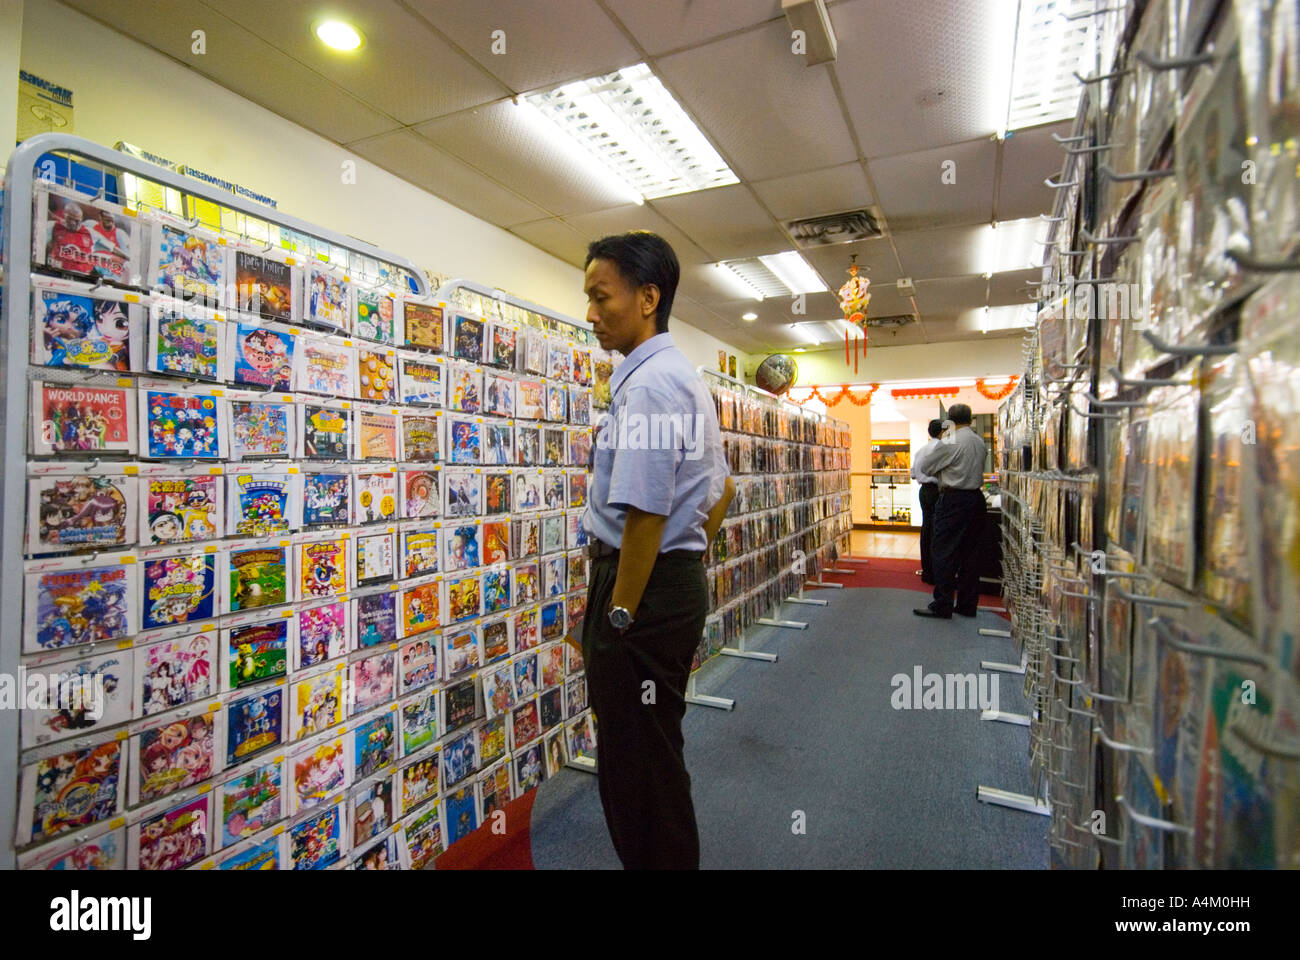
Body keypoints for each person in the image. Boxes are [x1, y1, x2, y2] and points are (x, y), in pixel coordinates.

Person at [578, 231, 735, 870]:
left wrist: (620, 616)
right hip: (666, 584)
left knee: (635, 766)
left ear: (648, 297)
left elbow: (645, 514)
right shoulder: (678, 374)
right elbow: (721, 490)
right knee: (654, 754)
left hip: (637, 591)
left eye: (600, 296)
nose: (589, 313)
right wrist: (685, 564)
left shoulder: (646, 387)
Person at [911, 403, 987, 619]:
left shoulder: (951, 440)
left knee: (943, 550)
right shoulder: (978, 441)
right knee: (971, 555)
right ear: (971, 419)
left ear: (950, 421)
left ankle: (943, 603)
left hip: (954, 499)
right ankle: (967, 604)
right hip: (975, 499)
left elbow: (925, 466)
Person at [911, 419, 944, 585]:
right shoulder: (942, 449)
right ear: (942, 432)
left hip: (924, 490)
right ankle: (937, 570)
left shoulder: (921, 450)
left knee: (926, 528)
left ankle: (927, 569)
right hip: (938, 491)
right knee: (938, 530)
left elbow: (913, 474)